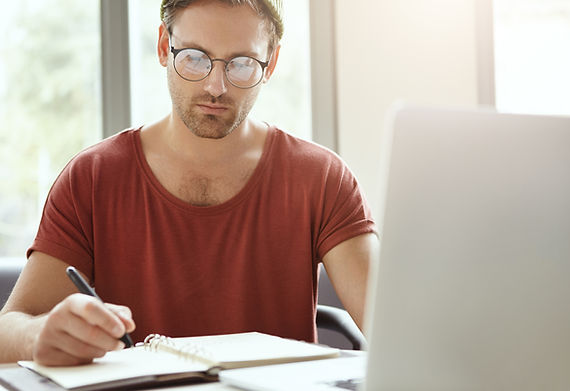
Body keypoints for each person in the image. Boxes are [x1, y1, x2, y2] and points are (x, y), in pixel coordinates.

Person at [0, 0, 377, 366]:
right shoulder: (92, 177)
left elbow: (390, 322)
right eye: (194, 57)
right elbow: (8, 330)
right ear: (165, 46)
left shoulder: (322, 178)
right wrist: (39, 335)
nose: (216, 86)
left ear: (271, 62)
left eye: (242, 64)